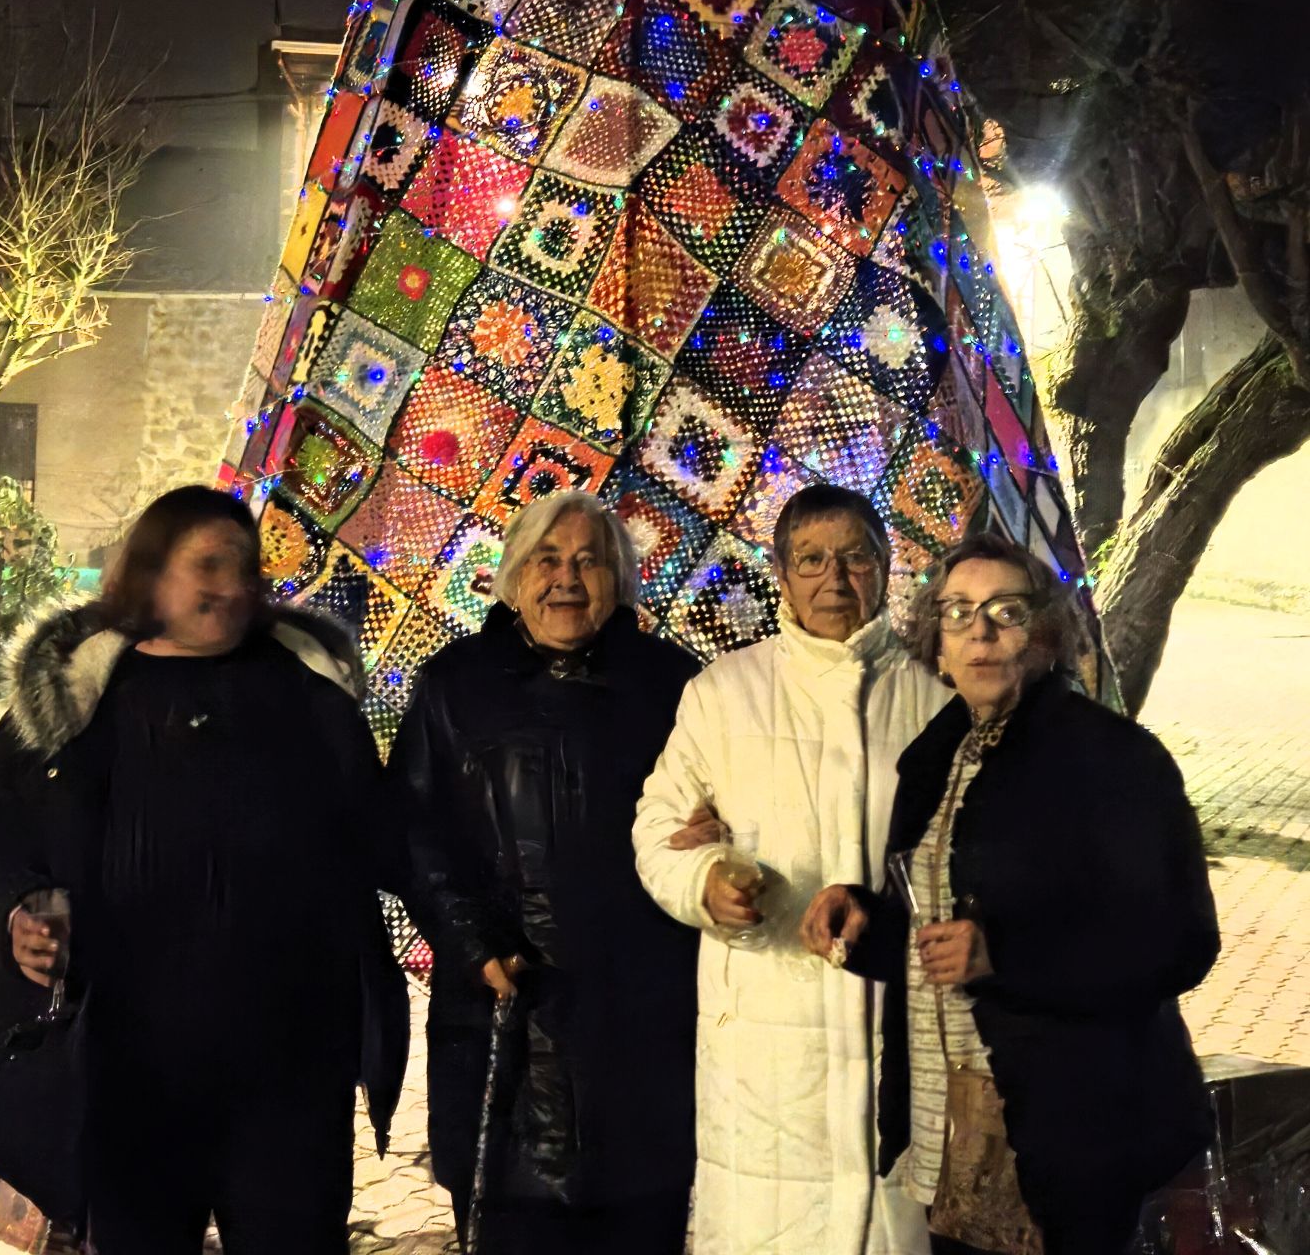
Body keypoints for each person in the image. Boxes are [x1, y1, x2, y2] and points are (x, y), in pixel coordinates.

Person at [0, 485, 409, 1255]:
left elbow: (392, 834)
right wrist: (12, 914)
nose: (236, 584)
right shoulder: (76, 698)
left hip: (290, 1074)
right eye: (210, 565)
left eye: (247, 566)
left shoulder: (310, 694)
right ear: (151, 573)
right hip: (129, 1072)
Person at [800, 531, 1220, 1255]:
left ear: (1047, 631)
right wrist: (865, 924)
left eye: (1005, 610)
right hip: (956, 1133)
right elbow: (935, 928)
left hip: (1067, 1134)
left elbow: (1179, 941)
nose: (980, 632)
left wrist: (1007, 955)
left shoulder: (1113, 759)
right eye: (959, 612)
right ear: (937, 642)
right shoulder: (939, 753)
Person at [634, 481, 948, 1255]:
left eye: (855, 559)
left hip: (897, 1026)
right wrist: (706, 879)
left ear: (886, 568)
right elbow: (657, 829)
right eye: (811, 559)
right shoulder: (723, 693)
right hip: (763, 1046)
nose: (834, 580)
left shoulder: (935, 697)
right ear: (779, 574)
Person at [388, 487, 699, 1255]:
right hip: (504, 1019)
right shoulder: (453, 686)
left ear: (620, 578)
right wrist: (471, 941)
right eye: (548, 560)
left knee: (640, 1221)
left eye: (590, 560)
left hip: (642, 1025)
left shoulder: (674, 685)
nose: (568, 578)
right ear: (513, 576)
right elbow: (405, 833)